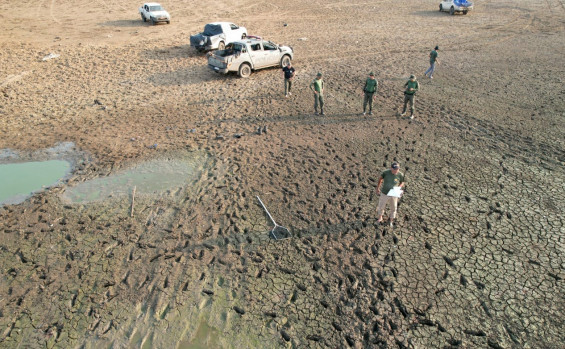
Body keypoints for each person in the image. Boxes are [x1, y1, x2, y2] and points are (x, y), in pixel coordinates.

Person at [376, 162, 405, 227]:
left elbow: (402, 182)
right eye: (394, 169)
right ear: (391, 168)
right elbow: (380, 179)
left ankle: (391, 220)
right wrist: (378, 188)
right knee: (381, 206)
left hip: (394, 194)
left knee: (394, 207)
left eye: (397, 169)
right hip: (385, 193)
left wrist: (399, 187)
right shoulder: (385, 173)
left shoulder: (400, 175)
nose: (396, 171)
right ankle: (380, 217)